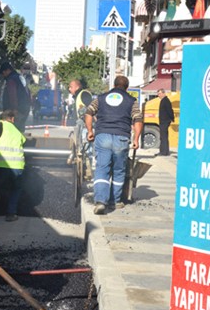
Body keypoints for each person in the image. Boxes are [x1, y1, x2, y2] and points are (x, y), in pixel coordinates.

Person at [85, 76, 143, 214]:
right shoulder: (131, 101)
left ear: (114, 85)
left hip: (103, 135)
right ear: (126, 87)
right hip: (121, 137)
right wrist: (136, 139)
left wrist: (89, 131)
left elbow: (88, 112)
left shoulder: (101, 98)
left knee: (102, 168)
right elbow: (138, 119)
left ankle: (100, 201)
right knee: (119, 170)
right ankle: (116, 201)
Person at [0, 109, 26, 221]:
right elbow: (23, 140)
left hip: (0, 165)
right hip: (17, 166)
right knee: (16, 189)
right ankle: (11, 213)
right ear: (12, 119)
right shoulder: (16, 130)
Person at [0, 62, 31, 133]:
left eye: (3, 73)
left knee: (11, 131)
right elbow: (28, 92)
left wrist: (14, 109)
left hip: (15, 112)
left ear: (7, 70)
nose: (3, 76)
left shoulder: (11, 80)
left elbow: (12, 95)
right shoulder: (20, 78)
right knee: (20, 131)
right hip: (24, 109)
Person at [67, 79, 92, 164]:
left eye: (71, 87)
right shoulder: (78, 96)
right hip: (81, 126)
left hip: (85, 127)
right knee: (80, 149)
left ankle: (89, 167)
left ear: (77, 87)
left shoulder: (84, 94)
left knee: (87, 151)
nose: (69, 89)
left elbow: (91, 109)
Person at [156, 88, 175, 156]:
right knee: (164, 136)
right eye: (158, 94)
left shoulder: (166, 101)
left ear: (163, 93)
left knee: (163, 137)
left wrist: (171, 118)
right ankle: (165, 151)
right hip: (163, 121)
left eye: (160, 93)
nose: (159, 95)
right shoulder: (163, 100)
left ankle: (163, 152)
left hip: (165, 121)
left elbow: (170, 110)